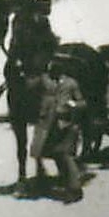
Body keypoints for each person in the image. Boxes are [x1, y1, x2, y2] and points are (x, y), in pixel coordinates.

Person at [32, 58, 87, 203]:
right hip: (51, 125)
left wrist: (73, 104)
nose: (52, 74)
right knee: (56, 155)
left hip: (67, 124)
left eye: (54, 71)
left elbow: (82, 102)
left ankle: (76, 189)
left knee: (66, 156)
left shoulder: (71, 84)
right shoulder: (48, 82)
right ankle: (66, 184)